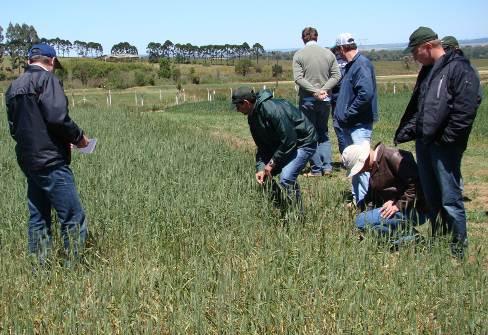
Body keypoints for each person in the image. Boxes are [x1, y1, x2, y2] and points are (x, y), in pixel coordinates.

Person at [394, 27, 480, 258]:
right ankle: (439, 242)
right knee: (432, 198)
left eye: (415, 51)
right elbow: (422, 108)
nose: (413, 56)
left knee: (450, 199)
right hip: (425, 143)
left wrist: (448, 139)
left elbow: (466, 109)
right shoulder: (428, 71)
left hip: (444, 146)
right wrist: (409, 130)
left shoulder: (458, 68)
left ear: (428, 46)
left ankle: (458, 251)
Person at [6, 43, 90, 265]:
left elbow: (16, 129)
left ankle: (39, 270)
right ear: (51, 61)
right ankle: (73, 268)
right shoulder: (47, 80)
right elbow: (57, 119)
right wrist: (79, 138)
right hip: (51, 162)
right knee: (72, 217)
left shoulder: (13, 87)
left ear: (29, 61)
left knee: (38, 217)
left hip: (29, 161)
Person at [232, 86, 317, 215]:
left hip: (303, 142)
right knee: (264, 177)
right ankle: (282, 208)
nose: (237, 110)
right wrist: (261, 168)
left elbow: (289, 139)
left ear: (246, 103)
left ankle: (298, 216)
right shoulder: (252, 117)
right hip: (285, 145)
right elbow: (262, 146)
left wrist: (272, 163)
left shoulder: (271, 109)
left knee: (286, 178)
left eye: (238, 106)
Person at [342, 142, 427, 242]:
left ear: (364, 160)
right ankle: (411, 238)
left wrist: (397, 204)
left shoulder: (394, 157)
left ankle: (408, 236)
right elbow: (371, 195)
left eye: (359, 169)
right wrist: (357, 206)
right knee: (375, 230)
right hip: (399, 208)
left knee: (360, 221)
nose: (360, 172)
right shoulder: (374, 166)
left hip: (414, 209)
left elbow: (418, 186)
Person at [334, 33, 379, 206]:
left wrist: (347, 113)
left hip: (358, 124)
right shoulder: (353, 65)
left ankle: (367, 201)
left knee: (363, 164)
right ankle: (357, 200)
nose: (338, 54)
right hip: (351, 123)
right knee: (355, 165)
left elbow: (365, 94)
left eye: (338, 50)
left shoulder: (361, 65)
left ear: (342, 48)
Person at [293, 27, 341, 177]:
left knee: (310, 133)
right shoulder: (328, 53)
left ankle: (316, 169)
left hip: (308, 98)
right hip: (325, 98)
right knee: (323, 132)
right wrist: (324, 90)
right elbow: (336, 75)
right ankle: (327, 167)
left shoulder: (299, 55)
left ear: (303, 39)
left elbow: (298, 78)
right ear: (317, 38)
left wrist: (314, 91)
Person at [441, 35, 483, 104]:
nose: (443, 52)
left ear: (456, 49)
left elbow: (477, 95)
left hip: (463, 110)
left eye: (446, 49)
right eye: (442, 49)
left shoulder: (468, 67)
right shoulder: (444, 67)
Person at [330, 45, 348, 156]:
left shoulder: (333, 64)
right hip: (351, 99)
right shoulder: (350, 62)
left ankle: (345, 155)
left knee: (339, 127)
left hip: (337, 99)